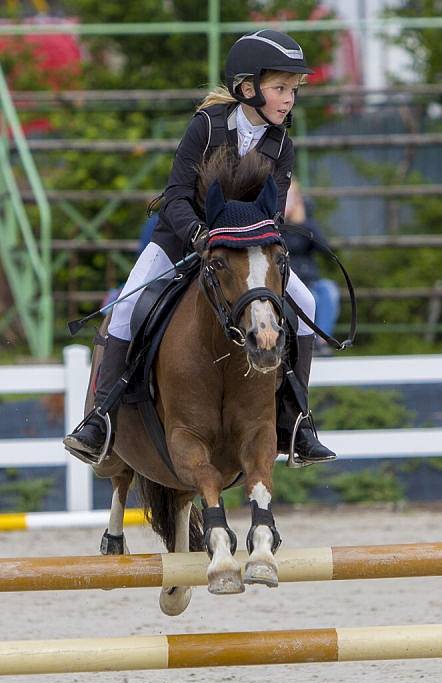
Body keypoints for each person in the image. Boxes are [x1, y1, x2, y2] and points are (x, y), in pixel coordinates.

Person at [63, 29, 335, 465]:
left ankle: (297, 422)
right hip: (180, 237)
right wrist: (198, 235)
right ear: (248, 88)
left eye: (293, 90)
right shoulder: (207, 127)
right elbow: (174, 196)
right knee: (127, 309)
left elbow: (274, 215)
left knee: (306, 303)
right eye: (280, 88)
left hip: (243, 251)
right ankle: (100, 419)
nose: (289, 99)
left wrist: (246, 246)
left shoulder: (282, 144)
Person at [283, 178, 340, 354]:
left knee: (329, 290)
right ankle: (305, 343)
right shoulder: (273, 224)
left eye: (293, 197)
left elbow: (326, 249)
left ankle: (321, 342)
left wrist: (305, 224)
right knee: (311, 297)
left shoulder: (307, 225)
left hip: (310, 278)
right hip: (288, 281)